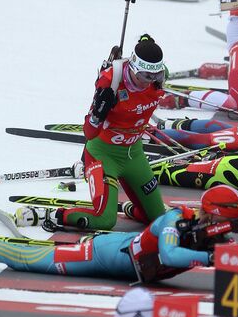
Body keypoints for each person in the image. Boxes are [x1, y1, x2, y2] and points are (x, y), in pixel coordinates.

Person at [16, 34, 172, 232]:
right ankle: (49, 214)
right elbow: (89, 133)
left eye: (155, 76)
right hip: (103, 155)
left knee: (159, 218)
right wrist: (99, 111)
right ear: (132, 68)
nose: (148, 82)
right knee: (105, 221)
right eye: (144, 76)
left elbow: (152, 65)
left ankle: (130, 207)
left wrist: (145, 42)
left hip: (134, 155)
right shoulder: (110, 82)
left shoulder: (158, 78)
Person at [0, 188, 238, 285]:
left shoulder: (214, 233)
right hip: (103, 255)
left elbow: (236, 255)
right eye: (231, 219)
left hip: (122, 256)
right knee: (27, 259)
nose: (232, 225)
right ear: (214, 212)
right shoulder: (175, 220)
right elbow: (170, 255)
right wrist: (209, 257)